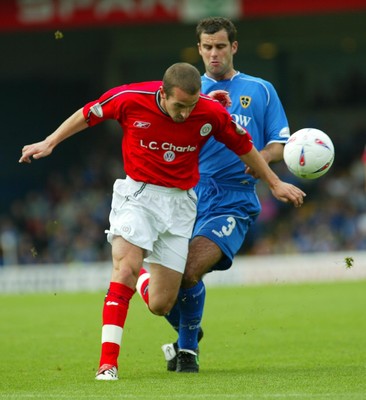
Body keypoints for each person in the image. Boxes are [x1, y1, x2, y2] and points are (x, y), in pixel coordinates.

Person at [19, 62, 305, 381]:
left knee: (160, 303)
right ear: (163, 94)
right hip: (138, 195)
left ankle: (143, 280)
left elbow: (246, 147)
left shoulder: (210, 112)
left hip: (180, 204)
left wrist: (275, 183)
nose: (185, 114)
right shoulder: (130, 97)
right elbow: (88, 113)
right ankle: (107, 364)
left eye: (191, 106)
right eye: (179, 106)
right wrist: (50, 141)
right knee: (124, 267)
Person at [136, 17, 295, 373]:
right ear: (199, 49)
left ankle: (188, 352)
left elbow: (282, 144)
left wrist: (263, 159)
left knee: (190, 271)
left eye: (220, 47)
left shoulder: (260, 89)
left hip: (233, 198)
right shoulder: (186, 92)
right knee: (166, 289)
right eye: (207, 47)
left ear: (233, 47)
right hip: (184, 195)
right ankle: (185, 335)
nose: (213, 54)